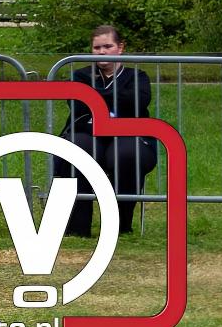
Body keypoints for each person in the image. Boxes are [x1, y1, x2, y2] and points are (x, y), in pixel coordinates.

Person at [55, 23, 159, 237]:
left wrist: (95, 95)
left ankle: (120, 225)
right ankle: (77, 228)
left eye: (107, 46)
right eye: (97, 48)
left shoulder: (137, 77)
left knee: (127, 154)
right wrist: (116, 98)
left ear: (120, 47)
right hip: (87, 133)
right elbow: (79, 105)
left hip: (129, 135)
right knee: (78, 149)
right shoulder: (80, 76)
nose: (101, 52)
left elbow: (138, 102)